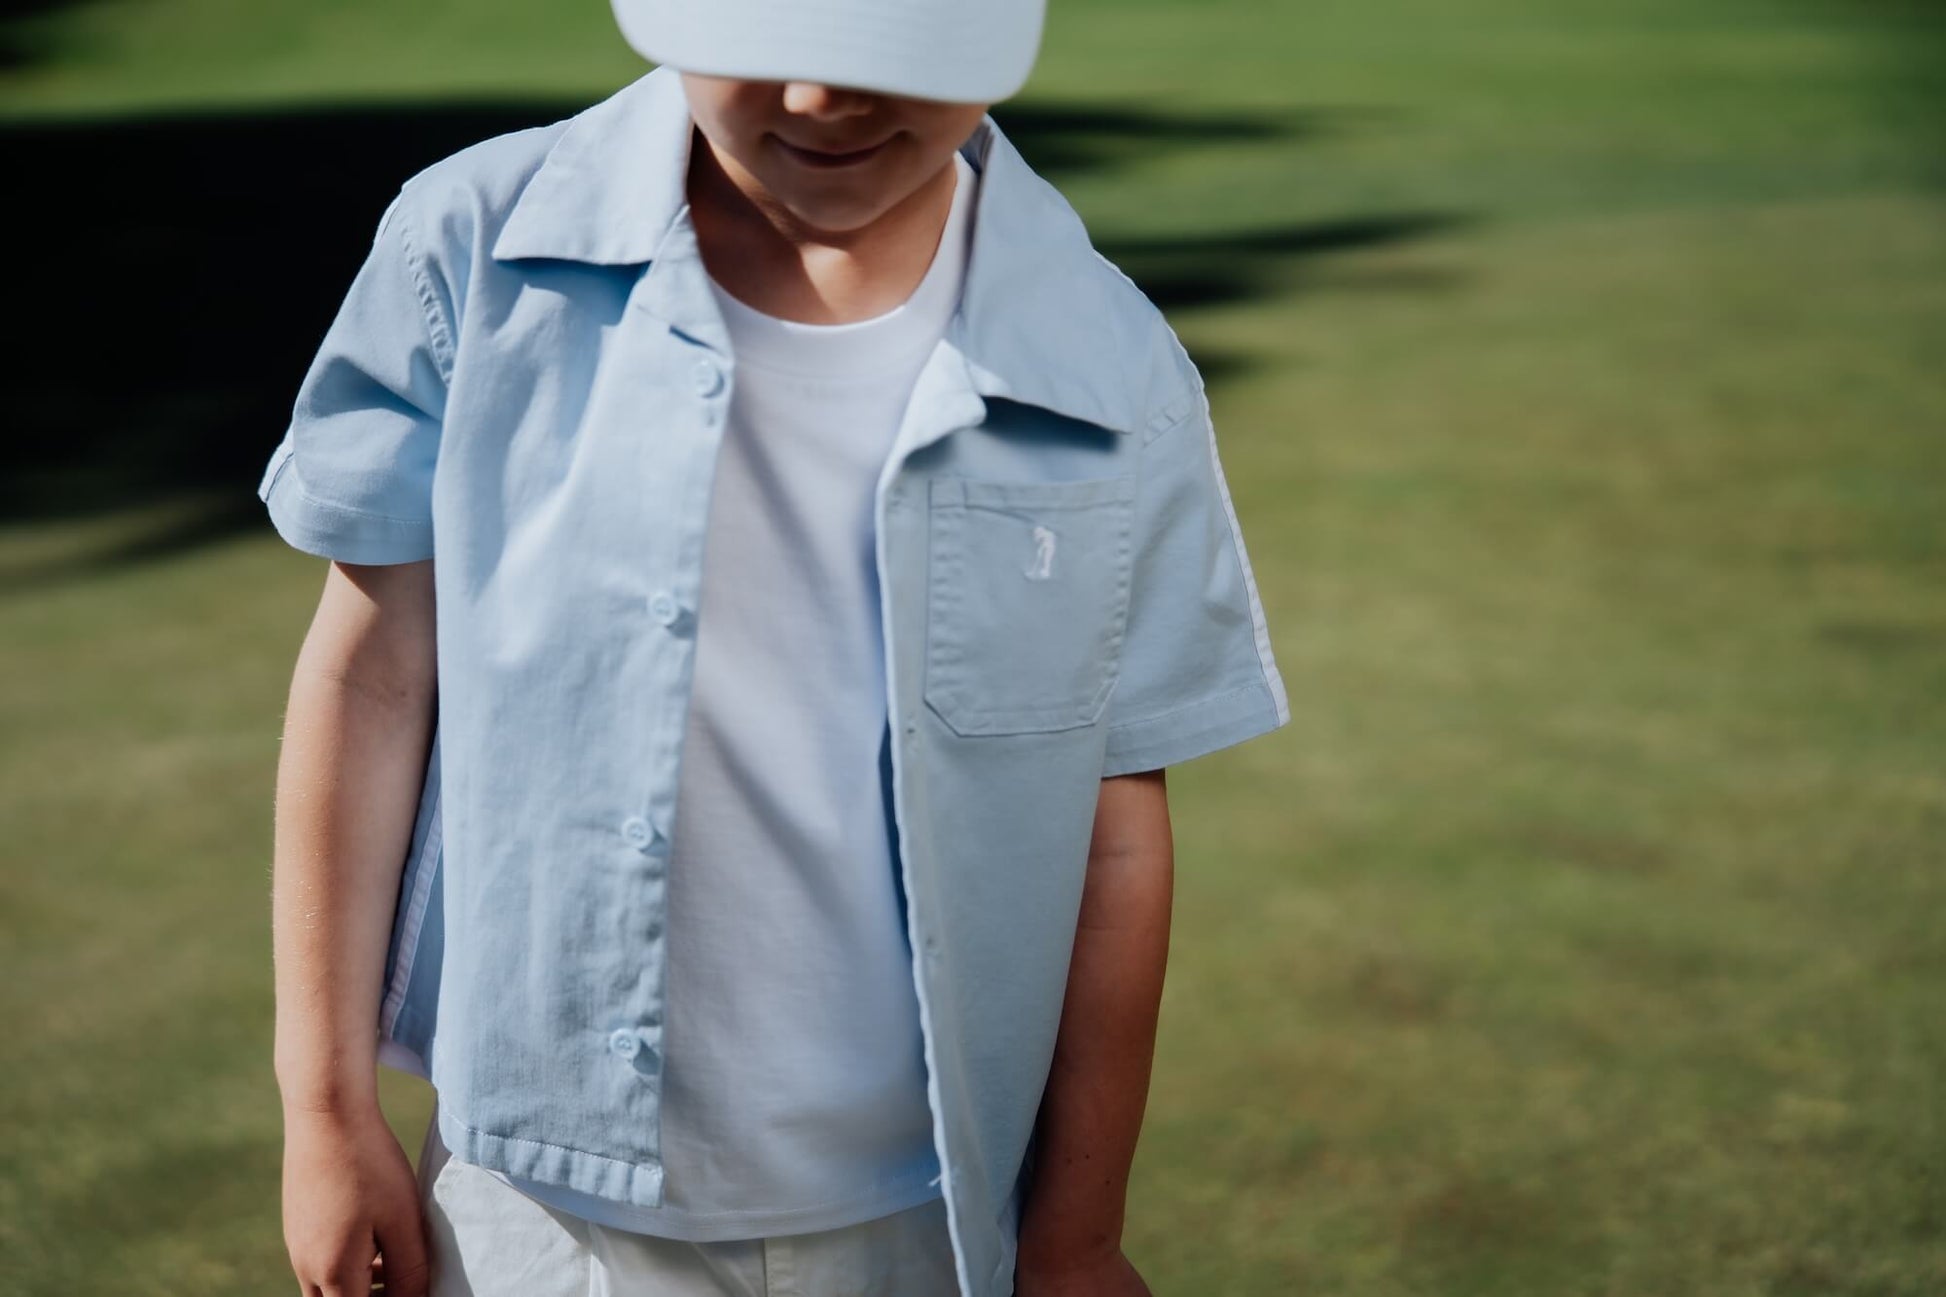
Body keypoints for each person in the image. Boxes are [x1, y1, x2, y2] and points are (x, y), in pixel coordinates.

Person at [260, 0, 1290, 1294]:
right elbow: (371, 679)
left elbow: (1113, 819)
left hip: (928, 1211)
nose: (818, 98)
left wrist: (1076, 1231)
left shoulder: (1112, 365)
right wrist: (324, 1107)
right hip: (539, 1211)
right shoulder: (467, 250)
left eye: (883, 45)